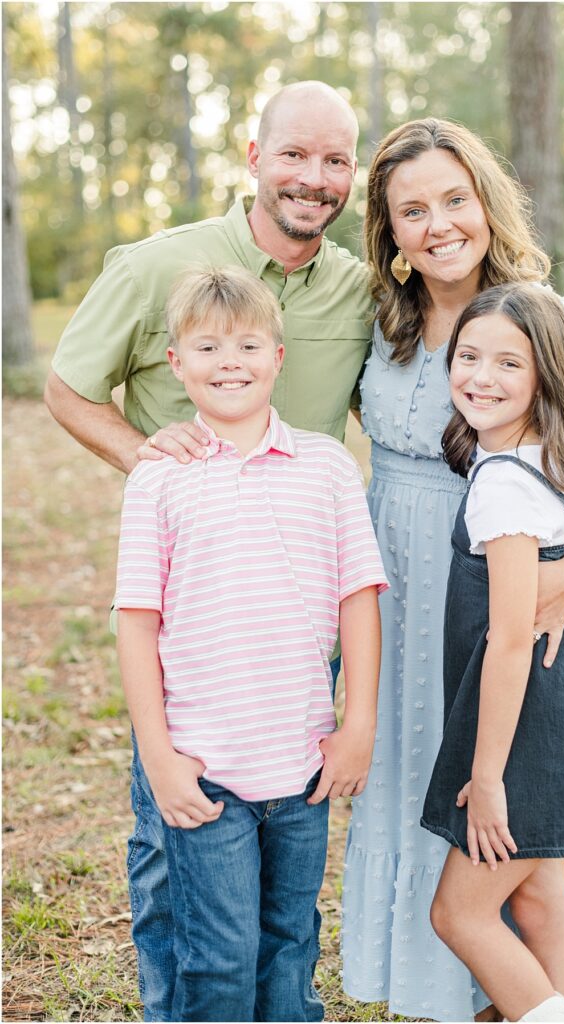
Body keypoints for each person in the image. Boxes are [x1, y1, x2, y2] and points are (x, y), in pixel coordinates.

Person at [44, 81, 373, 1020]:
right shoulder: (162, 266)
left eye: (335, 161)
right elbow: (69, 389)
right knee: (175, 846)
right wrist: (148, 455)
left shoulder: (352, 285)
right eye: (295, 155)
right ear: (254, 156)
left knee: (283, 893)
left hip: (301, 610)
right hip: (197, 608)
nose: (313, 179)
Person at [341, 118, 564, 1022]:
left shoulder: (543, 319)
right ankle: (437, 997)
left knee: (504, 803)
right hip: (397, 590)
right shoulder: (375, 323)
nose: (439, 224)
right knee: (420, 777)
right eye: (412, 210)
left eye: (455, 199)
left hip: (503, 595)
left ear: (487, 205)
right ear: (390, 233)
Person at [115, 264, 388, 1022]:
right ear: (175, 363)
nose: (228, 361)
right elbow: (136, 622)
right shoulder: (159, 479)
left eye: (246, 345)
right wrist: (160, 756)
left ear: (278, 356)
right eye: (206, 347)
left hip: (303, 766)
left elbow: (358, 600)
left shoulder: (327, 468)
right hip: (207, 774)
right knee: (220, 958)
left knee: (290, 943)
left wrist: (357, 724)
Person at [420, 282, 564, 1024]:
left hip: (525, 734)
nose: (480, 376)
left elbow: (509, 639)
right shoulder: (540, 460)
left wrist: (487, 776)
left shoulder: (505, 486)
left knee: (460, 914)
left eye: (510, 363)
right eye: (468, 356)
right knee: (538, 902)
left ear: (545, 378)